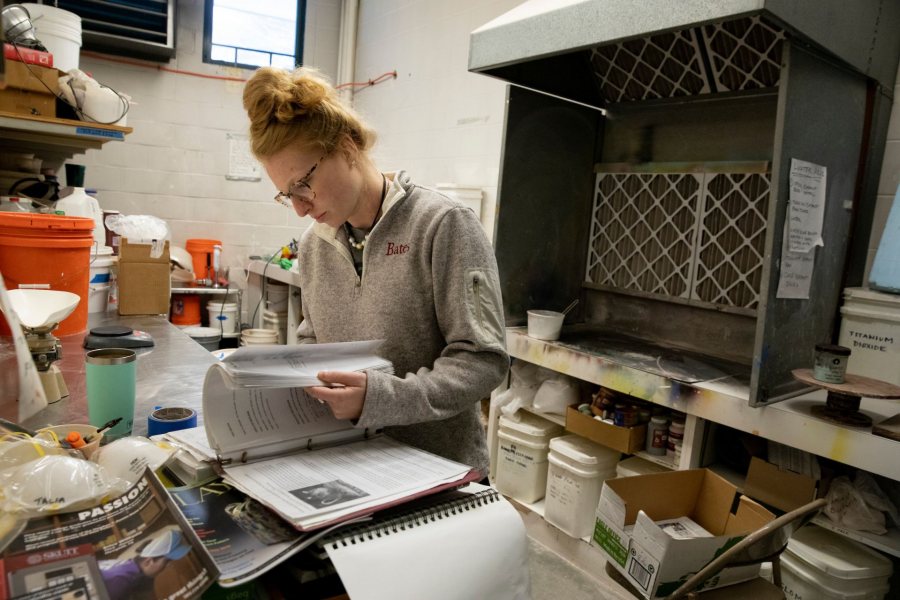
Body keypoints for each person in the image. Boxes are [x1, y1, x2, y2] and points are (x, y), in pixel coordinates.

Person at [242, 67, 509, 477]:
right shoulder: (316, 244)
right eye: (286, 194)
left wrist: (382, 399)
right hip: (354, 465)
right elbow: (315, 337)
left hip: (440, 472)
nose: (299, 206)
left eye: (303, 185)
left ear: (346, 147)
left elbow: (484, 360)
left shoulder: (442, 225)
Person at [99, 528, 191, 599]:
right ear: (148, 562)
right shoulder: (120, 581)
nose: (169, 566)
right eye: (168, 561)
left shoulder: (125, 566)